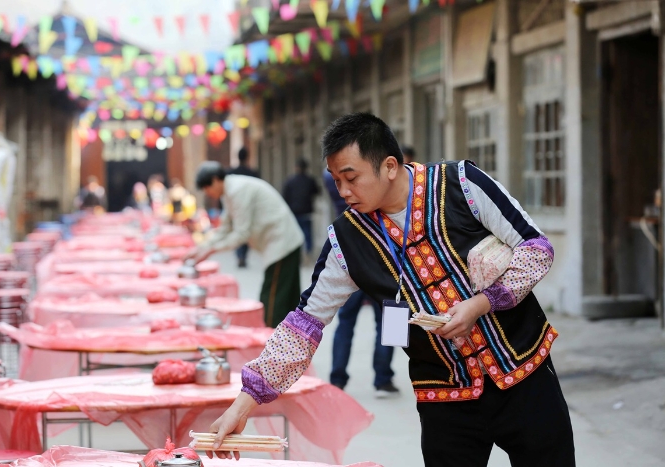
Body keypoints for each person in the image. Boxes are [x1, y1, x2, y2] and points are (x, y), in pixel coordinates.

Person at [206, 113, 574, 467]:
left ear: (390, 166)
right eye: (335, 180)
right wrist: (244, 403)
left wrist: (483, 302)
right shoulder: (346, 241)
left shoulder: (461, 184)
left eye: (352, 177)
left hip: (526, 373)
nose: (344, 191)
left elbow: (535, 249)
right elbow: (303, 326)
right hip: (444, 396)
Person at [186, 162, 304, 328]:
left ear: (215, 180)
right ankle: (288, 344)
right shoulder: (229, 191)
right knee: (285, 297)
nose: (208, 193)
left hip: (282, 242)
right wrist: (201, 248)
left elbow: (241, 233)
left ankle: (269, 341)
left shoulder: (236, 190)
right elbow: (225, 228)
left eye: (207, 188)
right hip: (280, 242)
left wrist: (210, 250)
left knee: (272, 299)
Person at [322, 167, 398, 398]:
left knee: (349, 322)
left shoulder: (335, 179)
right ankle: (383, 378)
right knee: (388, 322)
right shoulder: (376, 186)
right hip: (381, 262)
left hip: (352, 257)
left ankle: (337, 379)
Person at [229, 148, 260, 268]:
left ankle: (239, 256)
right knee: (245, 232)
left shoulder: (232, 173)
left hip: (235, 208)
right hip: (249, 208)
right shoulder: (252, 173)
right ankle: (243, 256)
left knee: (238, 231)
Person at [283, 159, 320, 256]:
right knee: (307, 233)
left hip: (294, 212)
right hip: (307, 212)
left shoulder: (290, 181)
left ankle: (297, 254)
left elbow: (285, 196)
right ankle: (308, 252)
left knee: (295, 234)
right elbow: (317, 191)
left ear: (296, 168)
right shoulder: (310, 180)